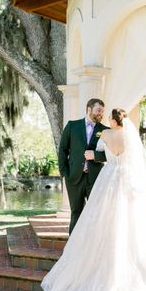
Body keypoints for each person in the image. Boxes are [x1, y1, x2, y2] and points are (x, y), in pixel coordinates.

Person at [41, 108, 146, 291]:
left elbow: (102, 154)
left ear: (112, 120)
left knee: (100, 218)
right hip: (126, 179)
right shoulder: (130, 136)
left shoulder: (106, 134)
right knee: (132, 221)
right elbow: (136, 161)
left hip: (108, 178)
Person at [58, 98, 109, 234]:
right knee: (76, 212)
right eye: (99, 110)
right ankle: (73, 249)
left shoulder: (106, 131)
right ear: (89, 109)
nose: (101, 114)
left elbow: (112, 155)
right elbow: (63, 150)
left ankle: (92, 246)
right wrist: (64, 173)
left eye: (102, 112)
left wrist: (96, 156)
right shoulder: (72, 126)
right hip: (74, 178)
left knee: (95, 213)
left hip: (95, 178)